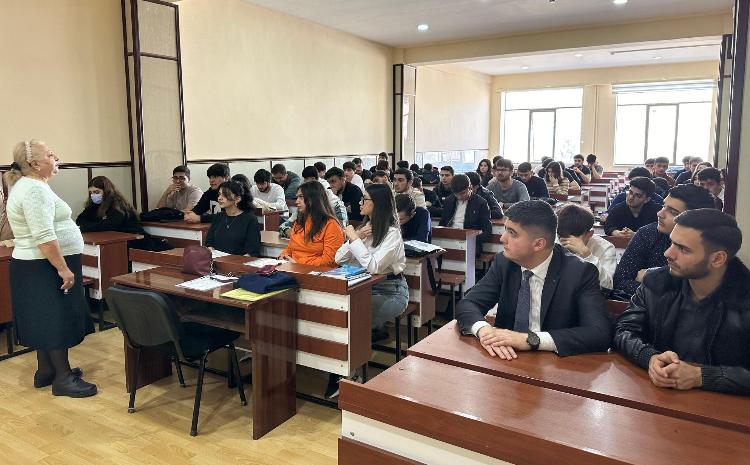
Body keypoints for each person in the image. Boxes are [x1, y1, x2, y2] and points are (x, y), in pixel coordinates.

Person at [614, 209, 749, 395]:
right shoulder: (657, 282)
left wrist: (701, 376)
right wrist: (650, 357)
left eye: (683, 249)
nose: (668, 253)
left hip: (723, 404)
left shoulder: (744, 298)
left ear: (717, 259)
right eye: (672, 243)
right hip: (658, 394)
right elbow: (624, 330)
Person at [455, 200, 612, 359]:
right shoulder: (504, 262)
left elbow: (599, 333)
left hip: (554, 362)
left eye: (512, 233)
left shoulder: (580, 272)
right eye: (505, 230)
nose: (502, 238)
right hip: (505, 357)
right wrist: (484, 331)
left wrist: (530, 340)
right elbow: (468, 303)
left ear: (538, 244)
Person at [4, 140, 96, 397]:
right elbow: (44, 235)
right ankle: (63, 378)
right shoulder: (34, 189)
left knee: (44, 317)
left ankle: (46, 370)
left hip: (36, 264)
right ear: (35, 163)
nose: (56, 158)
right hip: (44, 265)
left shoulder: (30, 185)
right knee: (56, 318)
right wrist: (63, 268)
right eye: (50, 154)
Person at [613, 184, 717, 297]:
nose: (659, 214)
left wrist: (652, 279)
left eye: (673, 212)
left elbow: (696, 296)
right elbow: (620, 281)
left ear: (696, 220)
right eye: (663, 206)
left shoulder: (707, 248)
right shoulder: (647, 234)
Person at [335, 183, 408, 338]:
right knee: (336, 304)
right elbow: (339, 258)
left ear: (378, 203)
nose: (359, 202)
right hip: (362, 286)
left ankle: (363, 342)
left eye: (364, 199)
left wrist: (354, 238)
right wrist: (357, 236)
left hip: (390, 290)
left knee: (350, 309)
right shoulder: (364, 228)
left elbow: (373, 267)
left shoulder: (392, 234)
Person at [278, 182, 343, 266]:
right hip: (293, 267)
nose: (297, 201)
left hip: (315, 271)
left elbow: (329, 260)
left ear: (313, 199)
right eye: (297, 197)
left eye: (301, 197)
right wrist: (283, 255)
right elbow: (291, 248)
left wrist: (298, 263)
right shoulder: (299, 221)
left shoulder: (331, 225)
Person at [557, 204, 616, 290]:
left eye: (575, 239)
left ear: (589, 234)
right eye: (562, 238)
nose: (567, 243)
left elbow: (607, 285)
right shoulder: (554, 240)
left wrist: (587, 255)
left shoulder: (606, 248)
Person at [438, 174, 492, 257]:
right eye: (456, 194)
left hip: (470, 241)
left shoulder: (481, 203)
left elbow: (487, 231)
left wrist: (472, 239)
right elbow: (443, 223)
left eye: (462, 193)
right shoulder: (449, 200)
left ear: (470, 188)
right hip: (450, 238)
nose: (459, 197)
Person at [205, 180, 260, 256]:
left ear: (237, 199)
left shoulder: (249, 219)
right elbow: (209, 242)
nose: (220, 198)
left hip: (240, 261)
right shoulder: (218, 216)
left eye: (225, 195)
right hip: (217, 260)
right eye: (219, 194)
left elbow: (252, 251)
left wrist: (233, 262)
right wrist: (215, 256)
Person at [76, 176, 145, 236]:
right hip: (112, 238)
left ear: (106, 191)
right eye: (91, 193)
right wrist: (95, 225)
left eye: (97, 192)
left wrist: (85, 227)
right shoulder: (94, 204)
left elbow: (109, 225)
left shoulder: (117, 204)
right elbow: (80, 220)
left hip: (133, 238)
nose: (93, 195)